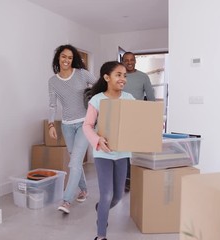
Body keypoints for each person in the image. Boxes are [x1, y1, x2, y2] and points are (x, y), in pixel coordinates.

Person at [83, 61, 135, 240]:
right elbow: (87, 126)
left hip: (122, 154)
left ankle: (100, 209)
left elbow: (136, 122)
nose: (123, 79)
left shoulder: (129, 98)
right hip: (103, 154)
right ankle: (101, 234)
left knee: (118, 197)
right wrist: (97, 140)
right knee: (106, 194)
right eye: (118, 75)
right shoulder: (97, 100)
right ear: (107, 77)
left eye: (125, 75)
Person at [48, 44, 96, 214]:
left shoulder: (82, 74)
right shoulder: (53, 81)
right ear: (58, 58)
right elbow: (53, 105)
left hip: (85, 123)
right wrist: (51, 124)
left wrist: (94, 104)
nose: (66, 60)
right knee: (75, 161)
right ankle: (84, 190)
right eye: (63, 56)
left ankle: (66, 200)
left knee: (75, 162)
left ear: (73, 59)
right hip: (67, 125)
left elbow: (98, 86)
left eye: (69, 57)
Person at [121, 51, 156, 191]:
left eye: (131, 60)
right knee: (123, 150)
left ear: (135, 61)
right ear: (122, 61)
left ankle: (136, 177)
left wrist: (150, 118)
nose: (129, 62)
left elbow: (151, 98)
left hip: (137, 117)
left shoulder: (143, 77)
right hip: (121, 117)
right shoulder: (119, 76)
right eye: (126, 60)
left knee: (135, 150)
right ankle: (125, 179)